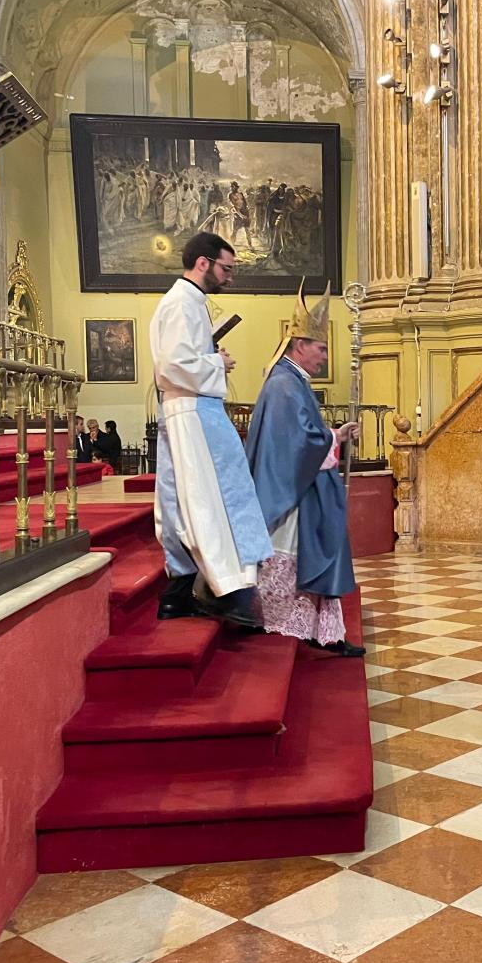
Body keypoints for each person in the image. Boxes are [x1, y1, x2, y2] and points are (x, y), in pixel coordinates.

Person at [149, 232, 271, 625]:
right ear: (203, 263)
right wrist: (218, 364)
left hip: (189, 410)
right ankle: (233, 594)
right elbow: (172, 366)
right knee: (214, 499)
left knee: (182, 504)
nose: (230, 277)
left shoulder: (187, 302)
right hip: (193, 413)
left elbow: (180, 360)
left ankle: (180, 593)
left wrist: (211, 357)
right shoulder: (182, 303)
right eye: (226, 268)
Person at [243, 284, 364, 657]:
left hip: (303, 487)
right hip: (292, 496)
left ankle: (320, 631)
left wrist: (332, 435)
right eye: (321, 348)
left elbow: (302, 435)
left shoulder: (292, 381)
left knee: (308, 558)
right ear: (300, 345)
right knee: (295, 559)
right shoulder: (283, 384)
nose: (325, 357)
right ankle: (276, 620)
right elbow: (295, 443)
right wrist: (327, 441)